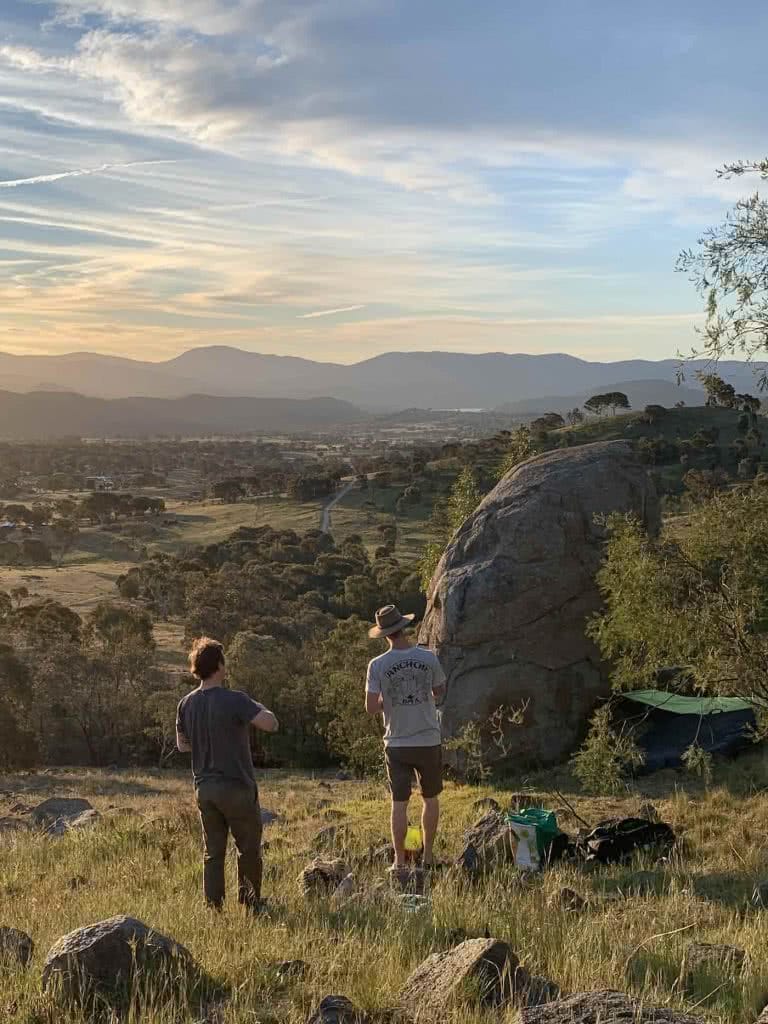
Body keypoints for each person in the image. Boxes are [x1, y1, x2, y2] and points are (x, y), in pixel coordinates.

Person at [176, 637, 279, 911]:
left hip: (204, 788)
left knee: (213, 852)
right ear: (219, 666)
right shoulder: (235, 700)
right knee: (248, 849)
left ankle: (214, 908)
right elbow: (271, 724)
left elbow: (181, 744)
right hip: (236, 785)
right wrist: (252, 705)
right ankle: (251, 904)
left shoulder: (185, 703)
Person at [365, 604, 446, 869]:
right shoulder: (429, 657)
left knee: (399, 804)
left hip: (397, 742)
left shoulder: (377, 665)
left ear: (385, 634)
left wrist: (388, 699)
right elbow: (439, 691)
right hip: (428, 740)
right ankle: (429, 856)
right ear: (404, 627)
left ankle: (400, 862)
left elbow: (371, 708)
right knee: (430, 799)